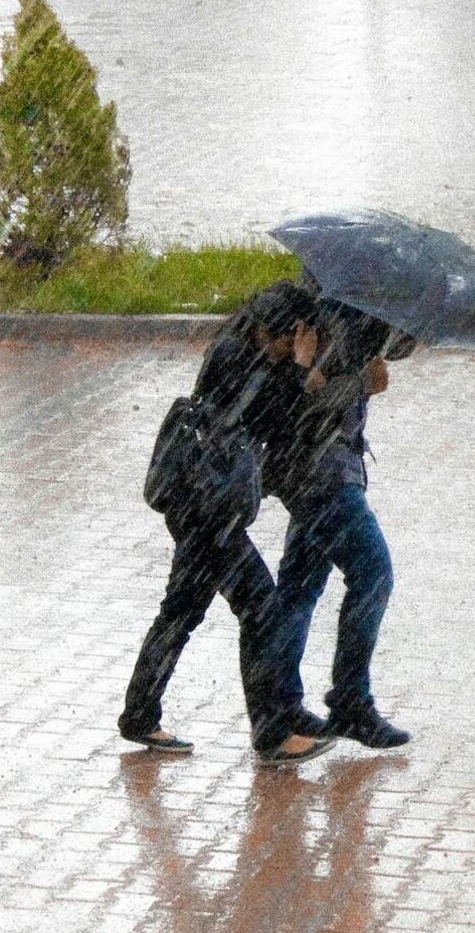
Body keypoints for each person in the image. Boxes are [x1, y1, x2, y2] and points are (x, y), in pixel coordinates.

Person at [119, 281, 333, 765]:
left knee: (182, 610)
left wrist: (297, 374)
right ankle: (272, 732)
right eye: (299, 336)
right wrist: (300, 373)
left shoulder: (240, 349)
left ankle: (139, 714)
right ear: (285, 331)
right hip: (208, 510)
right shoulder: (242, 359)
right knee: (260, 607)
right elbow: (277, 421)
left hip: (198, 503)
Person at [264, 299, 418, 750]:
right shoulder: (330, 315)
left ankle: (281, 704)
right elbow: (305, 406)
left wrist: (409, 326)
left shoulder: (357, 306)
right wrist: (360, 384)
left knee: (298, 587)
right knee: (373, 573)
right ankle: (349, 700)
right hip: (323, 475)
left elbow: (393, 348)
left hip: (316, 472)